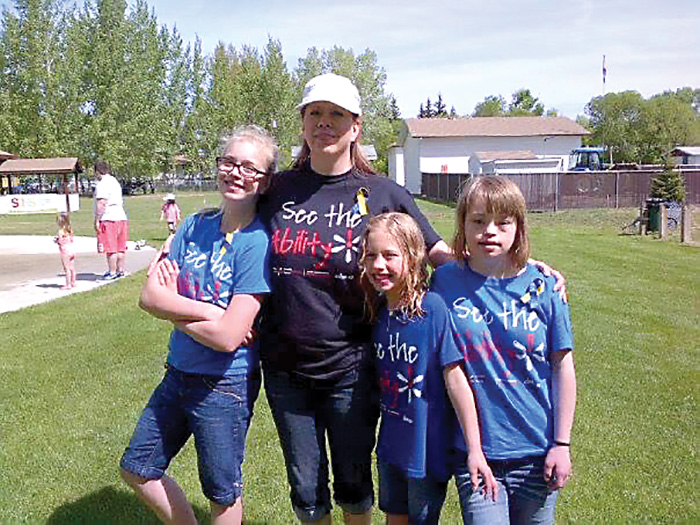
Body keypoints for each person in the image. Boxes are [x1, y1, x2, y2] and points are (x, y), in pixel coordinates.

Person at [257, 72, 452, 525]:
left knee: (353, 482)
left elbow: (437, 251)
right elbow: (230, 223)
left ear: (356, 126)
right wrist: (185, 237)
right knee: (305, 486)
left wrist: (515, 268)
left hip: (354, 366)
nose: (325, 123)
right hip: (285, 367)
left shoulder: (383, 192)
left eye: (336, 115)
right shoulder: (279, 190)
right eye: (316, 114)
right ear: (303, 124)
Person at [119, 125, 277, 525]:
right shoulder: (192, 226)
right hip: (178, 373)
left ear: (265, 180)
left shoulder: (256, 244)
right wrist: (209, 313)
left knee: (221, 493)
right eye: (229, 162)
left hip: (225, 384)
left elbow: (227, 340)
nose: (236, 173)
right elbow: (148, 297)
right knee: (137, 467)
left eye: (249, 167)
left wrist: (174, 310)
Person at [430, 176, 576, 524]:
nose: (489, 231)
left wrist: (562, 443)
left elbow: (562, 367)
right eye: (478, 221)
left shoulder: (545, 288)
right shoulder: (444, 282)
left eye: (502, 222)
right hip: (477, 451)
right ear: (462, 223)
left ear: (518, 227)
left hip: (536, 451)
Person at [359, 212, 498, 524]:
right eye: (371, 256)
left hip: (425, 449)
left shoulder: (432, 310)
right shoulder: (378, 311)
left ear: (413, 256)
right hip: (391, 444)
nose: (379, 265)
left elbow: (456, 381)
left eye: (390, 256)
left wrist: (474, 449)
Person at [93, 161, 129, 280]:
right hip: (121, 216)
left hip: (109, 218)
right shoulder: (114, 181)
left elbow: (101, 203)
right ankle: (121, 270)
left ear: (97, 171)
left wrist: (97, 219)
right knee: (120, 246)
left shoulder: (102, 184)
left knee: (111, 247)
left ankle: (112, 271)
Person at [55, 212, 76, 290]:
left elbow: (60, 242)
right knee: (72, 267)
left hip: (65, 251)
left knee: (66, 268)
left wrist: (57, 241)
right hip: (71, 249)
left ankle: (68, 284)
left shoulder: (60, 232)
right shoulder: (70, 230)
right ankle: (73, 281)